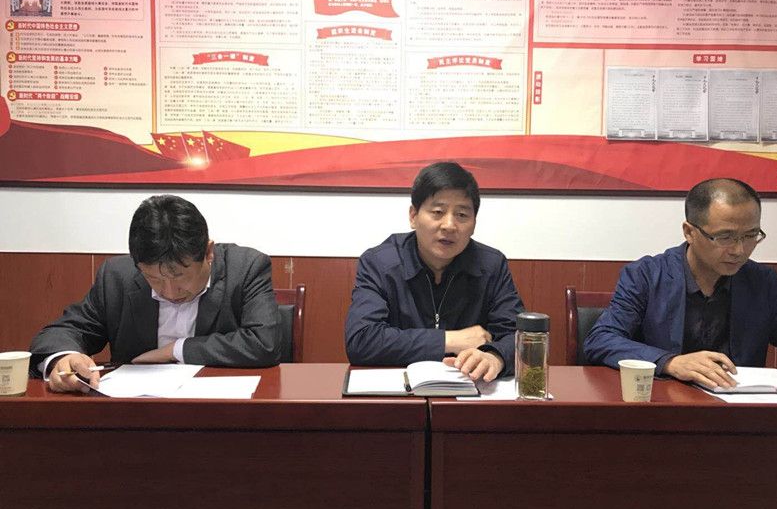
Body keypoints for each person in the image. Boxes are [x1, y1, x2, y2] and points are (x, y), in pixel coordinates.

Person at [31, 194, 283, 392]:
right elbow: (63, 331)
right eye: (153, 278)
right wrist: (63, 358)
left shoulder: (245, 268)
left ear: (208, 253)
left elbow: (264, 343)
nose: (169, 291)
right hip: (138, 417)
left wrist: (176, 350)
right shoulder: (117, 277)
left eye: (179, 276)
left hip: (220, 413)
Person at [584, 178, 777, 389]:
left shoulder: (762, 282)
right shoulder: (647, 276)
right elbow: (601, 340)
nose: (739, 250)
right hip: (663, 402)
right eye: (725, 237)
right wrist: (670, 362)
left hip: (740, 406)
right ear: (689, 232)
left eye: (750, 235)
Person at [345, 161, 524, 383]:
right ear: (413, 216)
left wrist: (495, 357)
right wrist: (449, 340)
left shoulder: (491, 265)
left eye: (462, 215)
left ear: (474, 223)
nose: (449, 225)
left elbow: (520, 336)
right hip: (399, 392)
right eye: (438, 212)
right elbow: (362, 340)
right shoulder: (380, 263)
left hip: (469, 391)